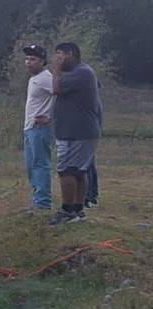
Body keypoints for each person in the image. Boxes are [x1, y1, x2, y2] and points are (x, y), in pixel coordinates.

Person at [48, 42, 102, 225]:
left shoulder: (82, 72)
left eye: (59, 54)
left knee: (67, 170)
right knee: (78, 171)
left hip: (77, 132)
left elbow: (56, 89)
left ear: (70, 54)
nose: (56, 59)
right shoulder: (79, 72)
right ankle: (78, 210)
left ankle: (67, 211)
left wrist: (56, 70)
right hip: (76, 131)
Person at [21, 44, 55, 212]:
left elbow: (62, 95)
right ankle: (37, 200)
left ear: (42, 61)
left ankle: (43, 203)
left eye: (33, 59)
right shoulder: (34, 79)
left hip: (40, 128)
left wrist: (51, 117)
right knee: (30, 166)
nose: (28, 62)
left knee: (40, 164)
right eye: (27, 59)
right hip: (30, 128)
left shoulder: (46, 78)